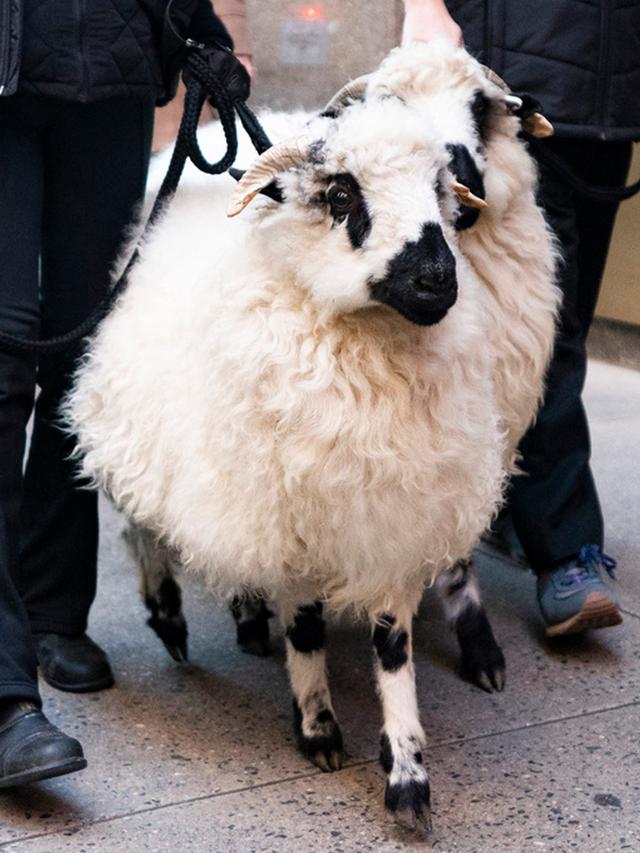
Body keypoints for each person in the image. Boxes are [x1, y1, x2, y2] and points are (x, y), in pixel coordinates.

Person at [0, 0, 247, 788]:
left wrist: (196, 27)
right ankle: (5, 694)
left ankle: (51, 609)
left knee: (80, 364)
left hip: (109, 73)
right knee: (2, 370)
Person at [402, 0, 640, 636]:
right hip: (513, 92)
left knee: (569, 321)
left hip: (611, 98)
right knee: (543, 334)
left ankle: (507, 507)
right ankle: (567, 552)